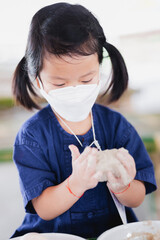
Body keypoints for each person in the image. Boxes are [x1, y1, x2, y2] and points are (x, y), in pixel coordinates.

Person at [11, 2, 157, 239]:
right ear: (37, 80)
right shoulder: (32, 135)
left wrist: (124, 185)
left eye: (87, 79)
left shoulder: (117, 126)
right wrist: (75, 184)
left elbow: (138, 197)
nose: (75, 89)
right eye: (60, 84)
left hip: (113, 231)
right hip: (51, 233)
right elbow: (43, 208)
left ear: (99, 68)